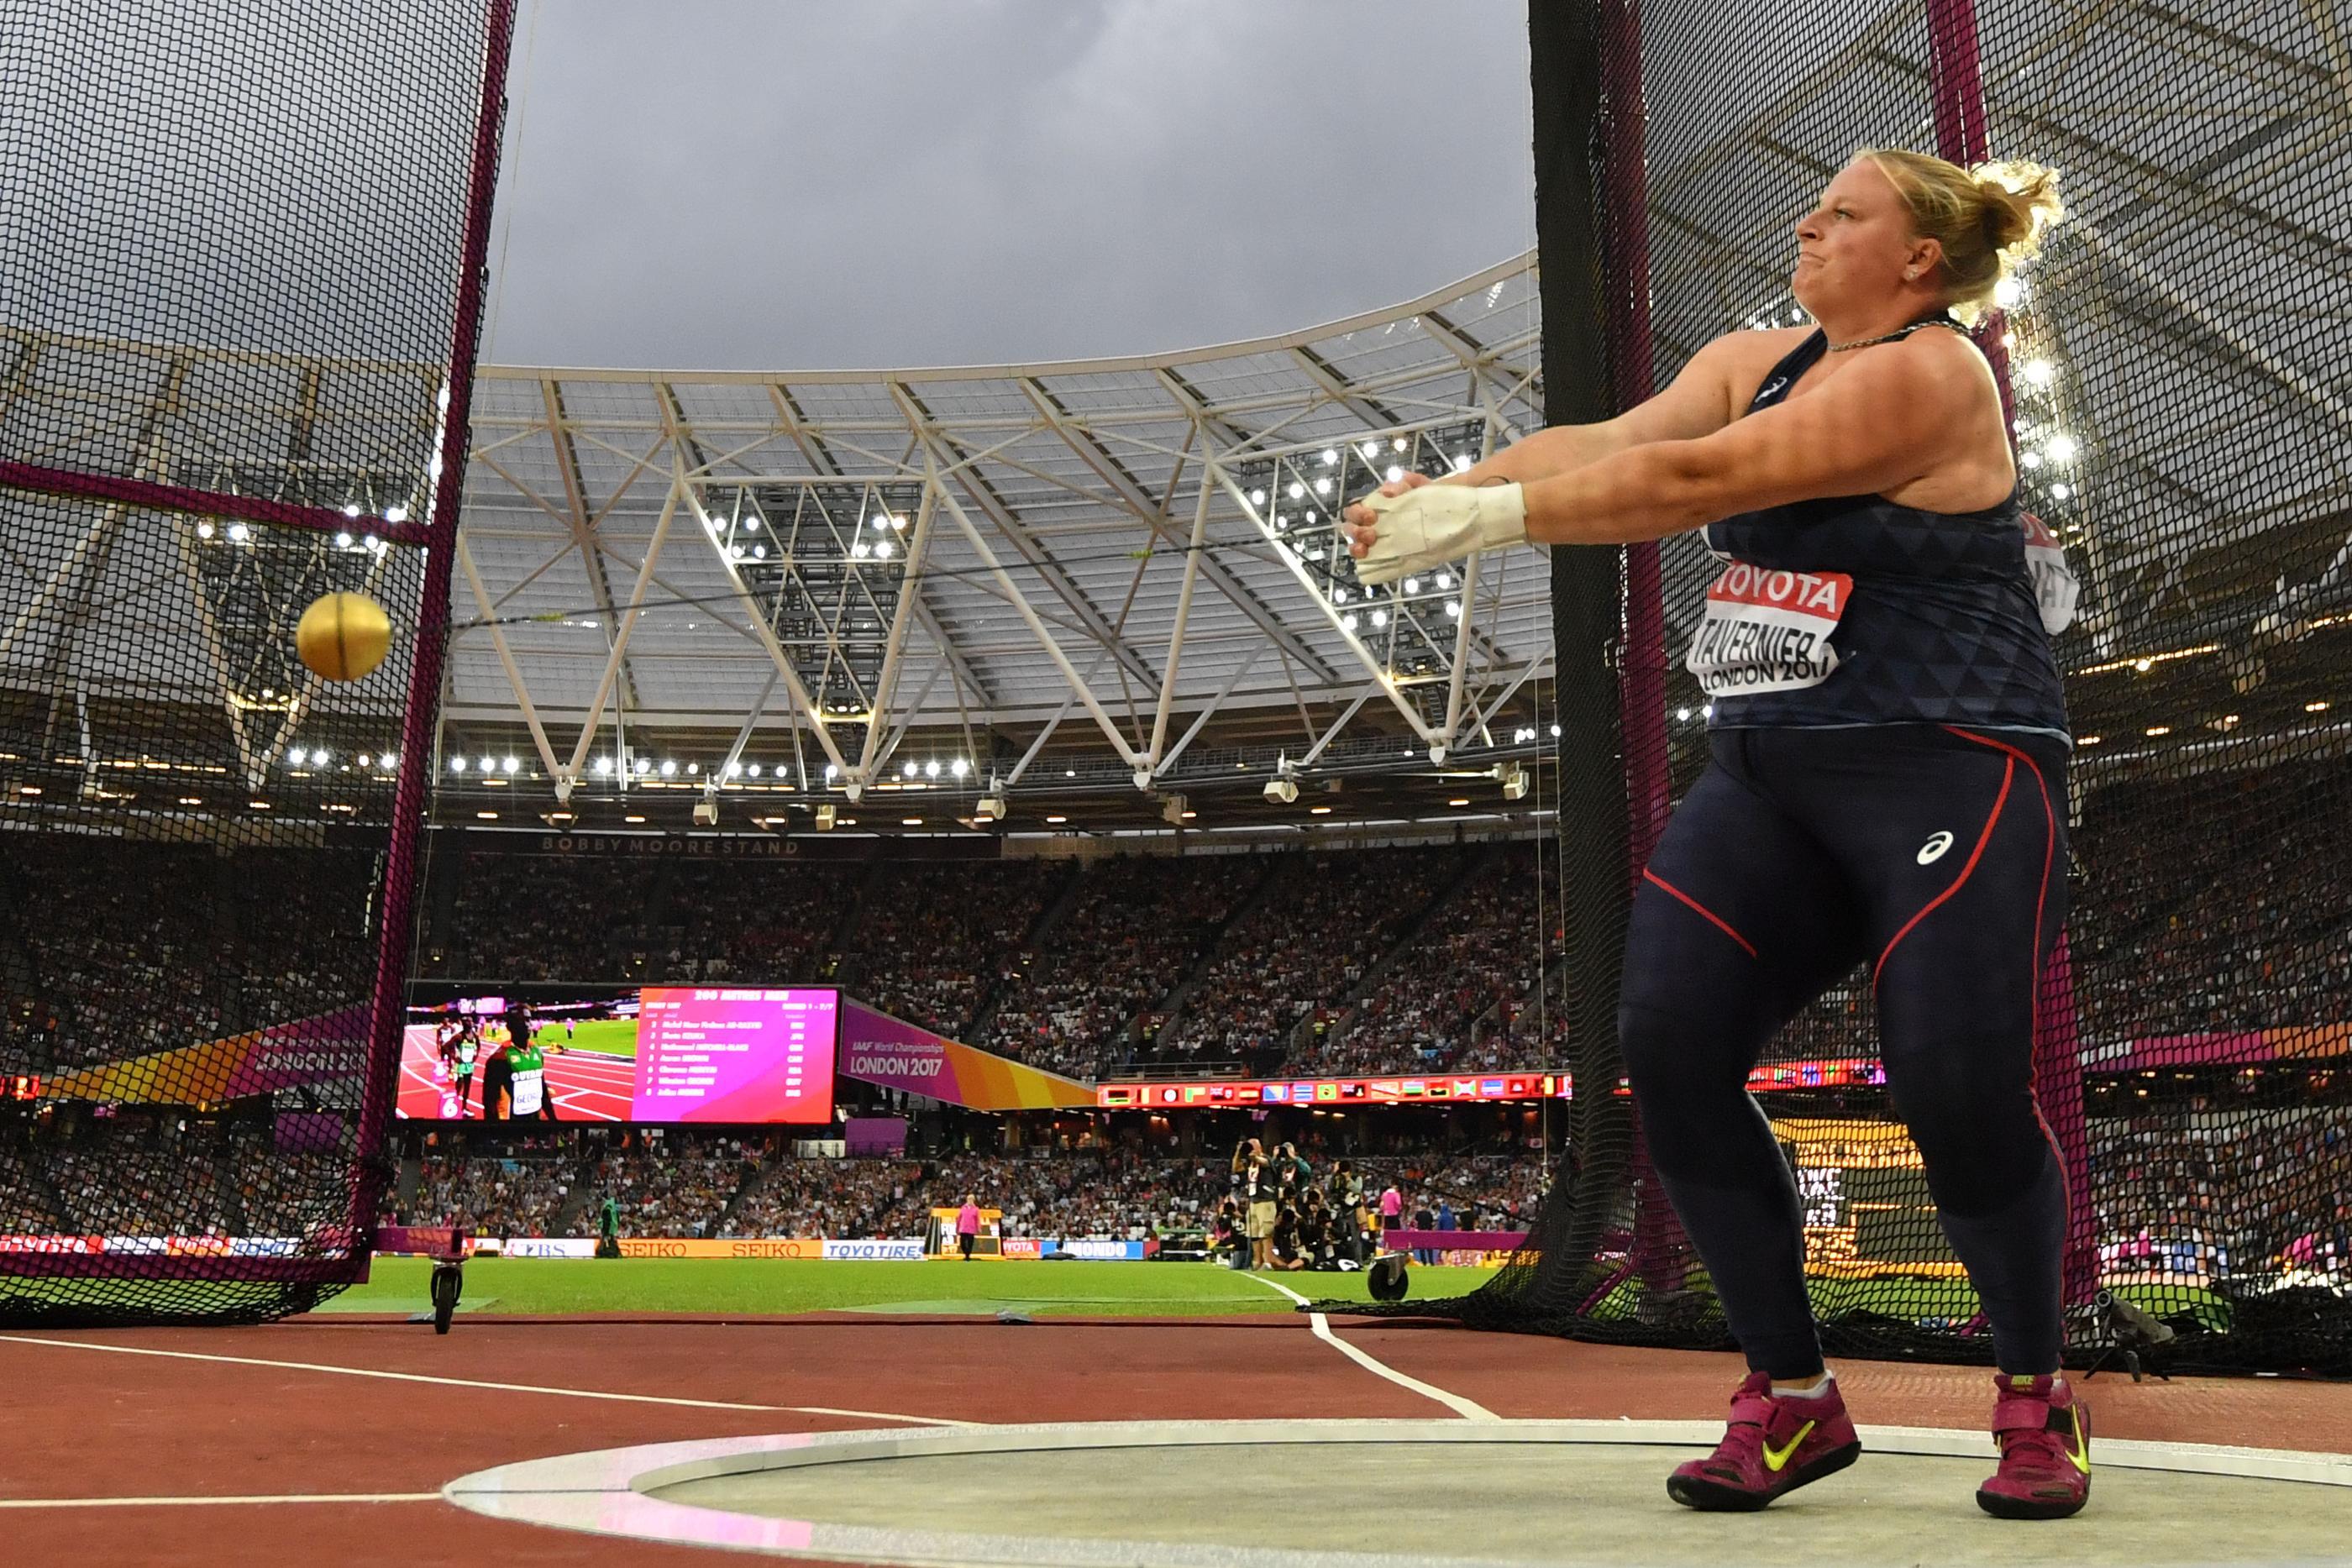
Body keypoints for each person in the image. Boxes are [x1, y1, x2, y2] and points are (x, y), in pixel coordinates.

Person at [1345, 149, 2085, 1520]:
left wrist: (1493, 520)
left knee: (1951, 1077)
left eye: (1844, 211)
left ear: (1919, 260)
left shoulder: (1932, 376)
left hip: (1954, 767)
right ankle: (1792, 1398)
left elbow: (1703, 479)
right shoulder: (1761, 353)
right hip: (1773, 773)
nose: (1807, 220)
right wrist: (1456, 487)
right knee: (1671, 1042)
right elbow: (1619, 445)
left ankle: (2036, 1395)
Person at [1242, 1155, 1279, 1270]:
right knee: (1254, 1234)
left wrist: (1252, 1155)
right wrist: (1240, 1152)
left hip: (1265, 1200)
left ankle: (1268, 1261)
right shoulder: (1249, 1163)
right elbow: (1235, 1168)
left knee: (1266, 1232)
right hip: (1253, 1201)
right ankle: (1257, 1261)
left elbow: (1262, 1161)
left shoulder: (1266, 1159)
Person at [956, 1193, 981, 1261]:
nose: (970, 1201)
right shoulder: (963, 1208)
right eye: (969, 1199)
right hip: (963, 1228)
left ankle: (967, 1256)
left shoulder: (976, 1209)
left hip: (971, 1229)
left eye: (971, 1199)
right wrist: (957, 1227)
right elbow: (959, 1218)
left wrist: (978, 1228)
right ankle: (966, 1253)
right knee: (962, 1243)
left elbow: (978, 1220)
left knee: (970, 1244)